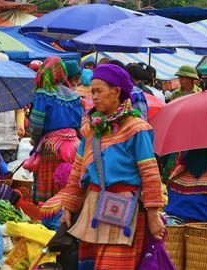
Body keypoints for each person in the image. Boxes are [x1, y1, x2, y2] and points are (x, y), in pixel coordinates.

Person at [42, 64, 166, 269]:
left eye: (99, 91)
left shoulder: (137, 128)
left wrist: (154, 215)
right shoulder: (93, 130)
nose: (95, 97)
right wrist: (68, 208)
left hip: (124, 211)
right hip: (92, 208)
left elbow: (150, 173)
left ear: (116, 91)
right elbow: (77, 172)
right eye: (92, 92)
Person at [25, 57, 83, 206]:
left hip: (52, 146)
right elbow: (80, 124)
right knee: (68, 184)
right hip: (74, 145)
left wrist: (36, 141)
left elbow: (36, 125)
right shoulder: (74, 96)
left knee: (48, 189)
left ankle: (48, 218)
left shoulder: (43, 94)